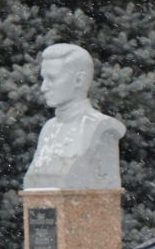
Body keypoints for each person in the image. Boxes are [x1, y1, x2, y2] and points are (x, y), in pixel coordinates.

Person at [23, 42, 125, 190]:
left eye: (52, 78)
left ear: (79, 80)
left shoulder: (101, 127)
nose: (44, 87)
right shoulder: (48, 128)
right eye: (43, 79)